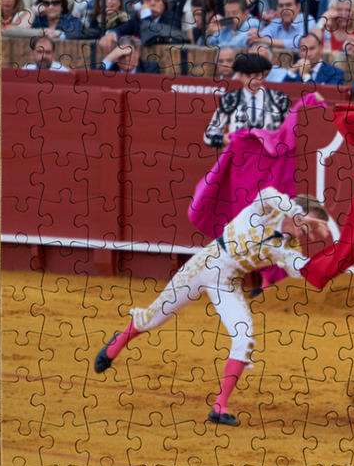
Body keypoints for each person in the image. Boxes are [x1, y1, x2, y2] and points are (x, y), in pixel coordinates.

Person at [92, 188, 332, 427]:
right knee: (155, 318)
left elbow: (300, 267)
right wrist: (299, 213)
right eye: (307, 222)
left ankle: (220, 407)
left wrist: (333, 263)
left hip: (227, 283)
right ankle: (119, 342)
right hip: (204, 265)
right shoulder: (268, 210)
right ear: (296, 210)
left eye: (310, 227)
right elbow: (268, 193)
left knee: (244, 337)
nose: (306, 231)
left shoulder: (290, 248)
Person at [203, 51, 294, 147]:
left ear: (263, 76)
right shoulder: (230, 100)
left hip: (269, 158)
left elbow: (292, 128)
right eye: (248, 76)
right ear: (240, 76)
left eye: (257, 76)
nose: (253, 81)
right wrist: (223, 139)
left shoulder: (278, 99)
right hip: (239, 157)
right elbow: (208, 135)